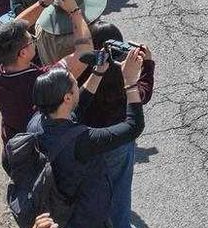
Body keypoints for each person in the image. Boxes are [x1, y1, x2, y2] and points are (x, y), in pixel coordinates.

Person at [30, 48, 147, 228]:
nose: (79, 85)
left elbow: (75, 108)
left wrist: (98, 71)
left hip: (63, 205)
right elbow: (133, 127)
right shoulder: (82, 141)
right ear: (67, 97)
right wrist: (130, 82)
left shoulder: (38, 120)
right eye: (75, 84)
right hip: (86, 216)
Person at [0, 0, 94, 141]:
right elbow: (85, 52)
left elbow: (13, 26)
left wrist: (43, 2)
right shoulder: (44, 79)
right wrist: (74, 11)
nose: (34, 40)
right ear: (23, 53)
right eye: (31, 40)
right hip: (42, 148)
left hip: (14, 144)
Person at [78, 23, 155, 228]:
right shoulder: (125, 74)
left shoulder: (86, 72)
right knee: (120, 190)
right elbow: (142, 94)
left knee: (94, 191)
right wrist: (147, 64)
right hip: (119, 142)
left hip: (90, 142)